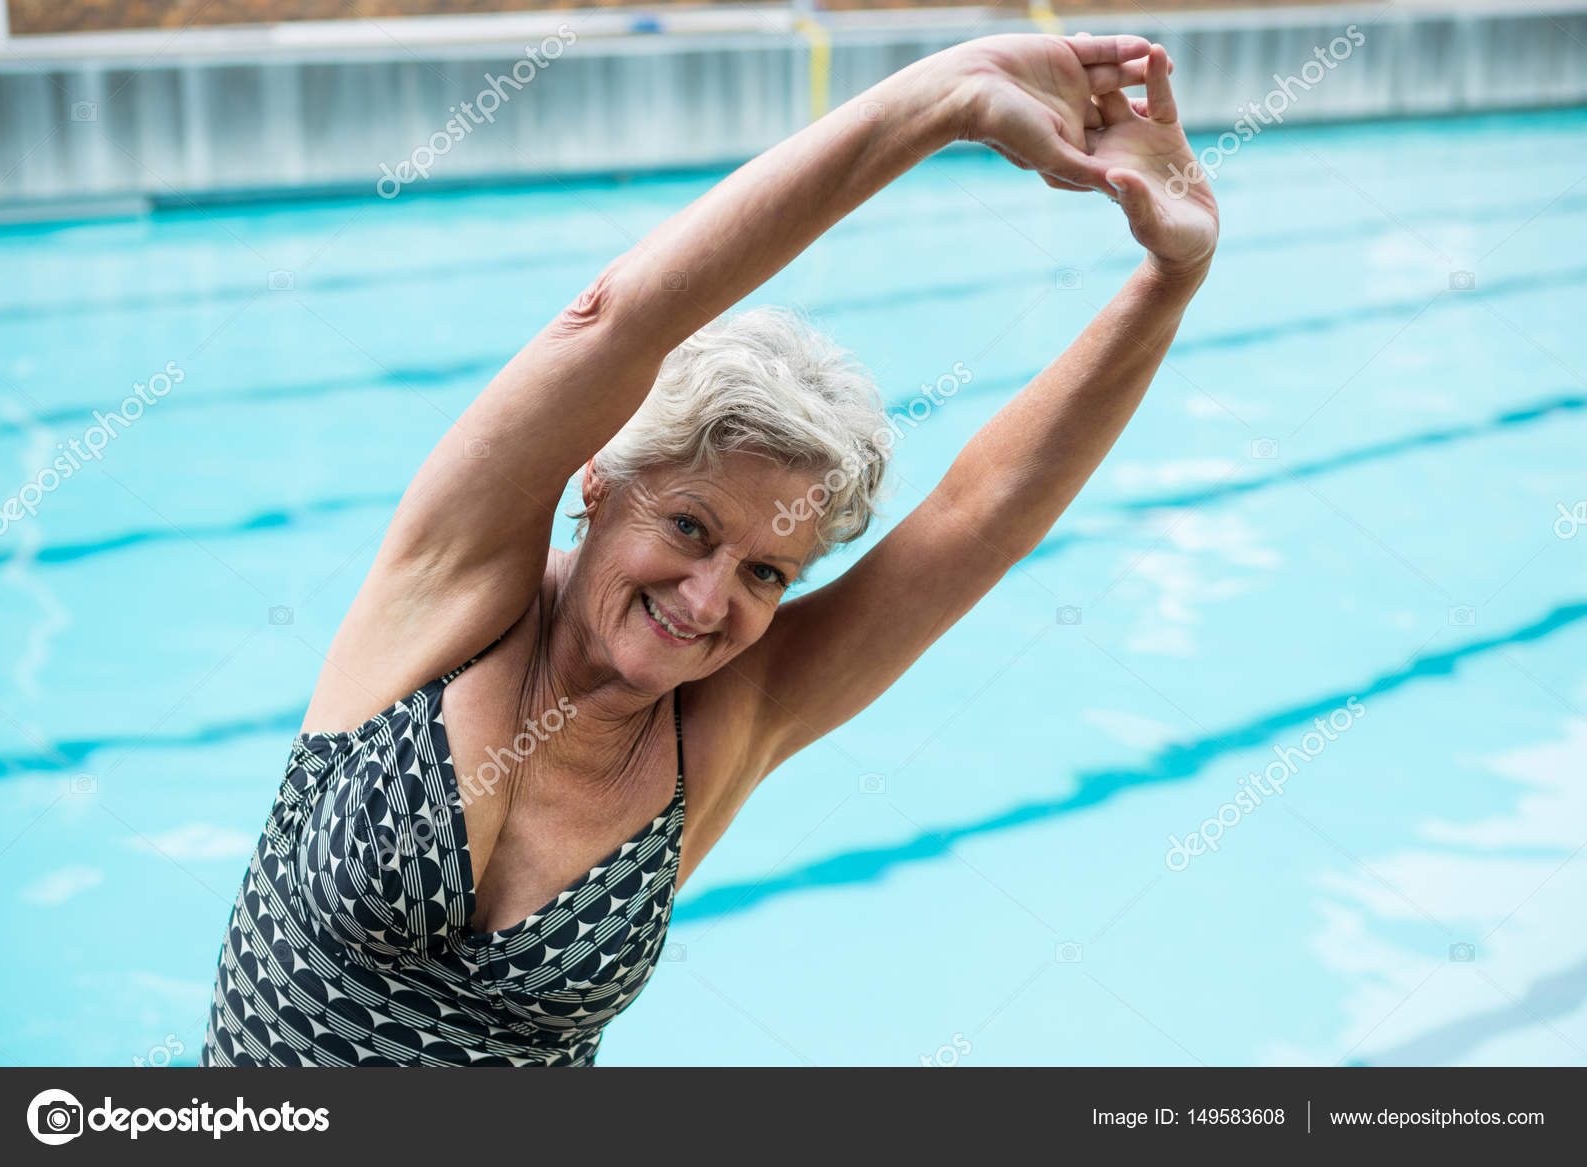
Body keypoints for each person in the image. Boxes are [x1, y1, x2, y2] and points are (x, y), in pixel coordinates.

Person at [201, 33, 1218, 1067]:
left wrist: (1170, 276)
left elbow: (979, 517)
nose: (705, 599)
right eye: (690, 527)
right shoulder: (451, 595)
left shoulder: (732, 722)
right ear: (597, 479)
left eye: (766, 573)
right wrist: (939, 103)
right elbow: (608, 325)